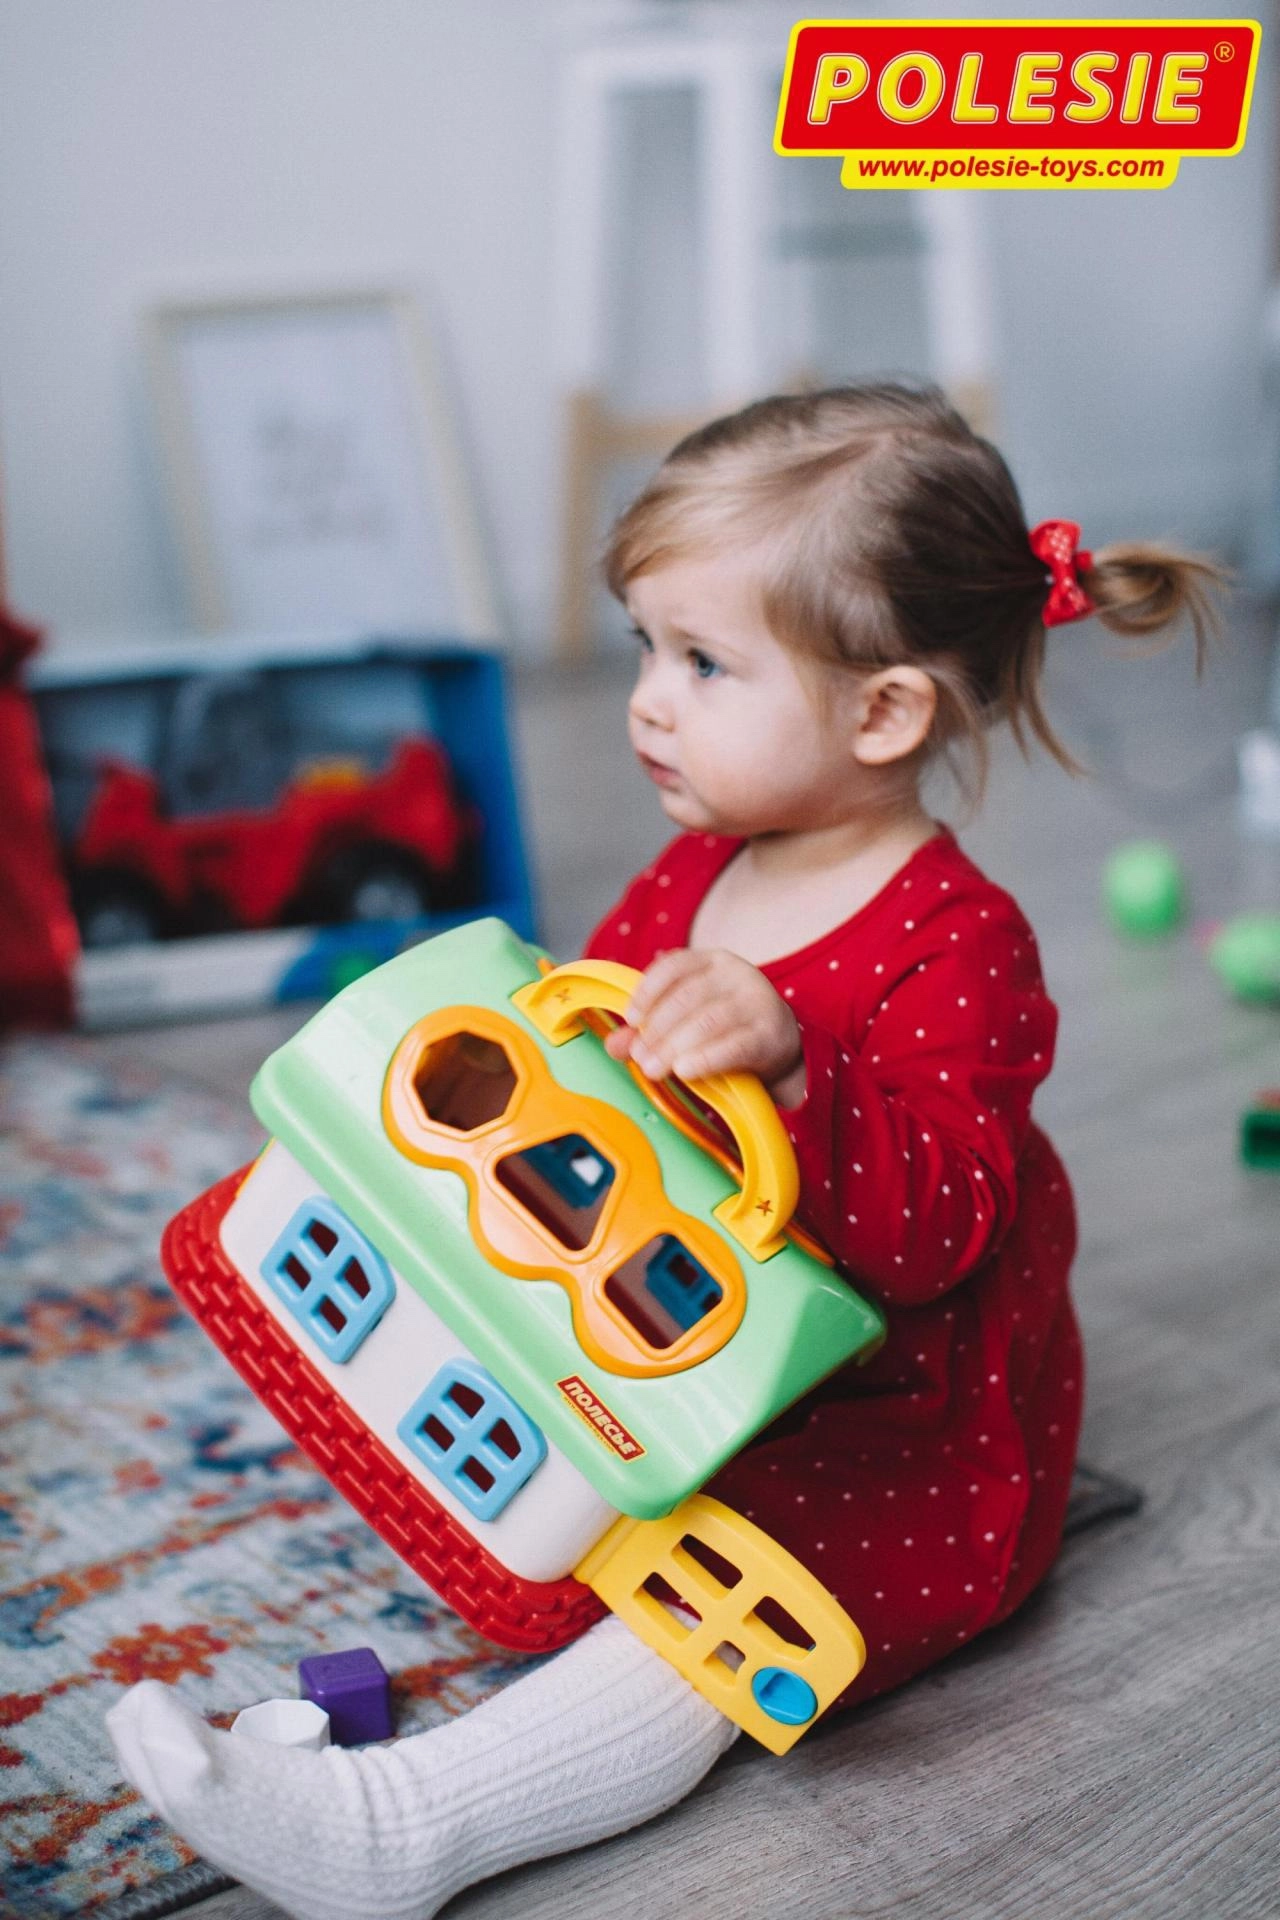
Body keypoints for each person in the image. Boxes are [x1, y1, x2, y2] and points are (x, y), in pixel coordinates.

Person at [106, 384, 1220, 1920]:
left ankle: (407, 1828)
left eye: (702, 663)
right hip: (654, 1342)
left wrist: (795, 1065)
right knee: (494, 1437)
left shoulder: (959, 943)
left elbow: (944, 1228)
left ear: (883, 715)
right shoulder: (699, 866)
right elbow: (591, 1084)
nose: (646, 701)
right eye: (643, 646)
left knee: (714, 1613)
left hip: (883, 1421)